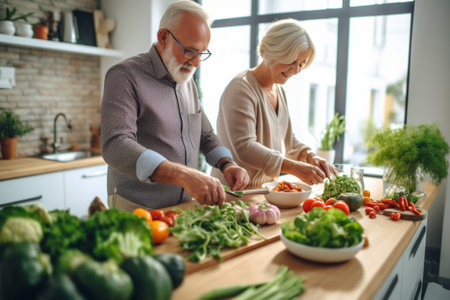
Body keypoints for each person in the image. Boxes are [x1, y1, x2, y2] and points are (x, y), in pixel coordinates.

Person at [101, 0, 249, 211]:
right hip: (138, 209)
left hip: (185, 207)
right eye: (190, 51)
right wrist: (183, 175)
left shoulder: (187, 81)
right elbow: (116, 145)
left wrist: (227, 164)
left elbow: (205, 135)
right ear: (163, 37)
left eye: (202, 53)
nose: (196, 62)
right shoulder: (124, 76)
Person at [212, 19, 336, 188]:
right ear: (275, 51)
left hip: (263, 193)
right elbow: (245, 147)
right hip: (233, 192)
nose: (297, 70)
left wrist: (310, 156)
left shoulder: (279, 90)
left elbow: (288, 141)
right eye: (292, 61)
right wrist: (295, 168)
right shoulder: (241, 87)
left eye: (301, 64)